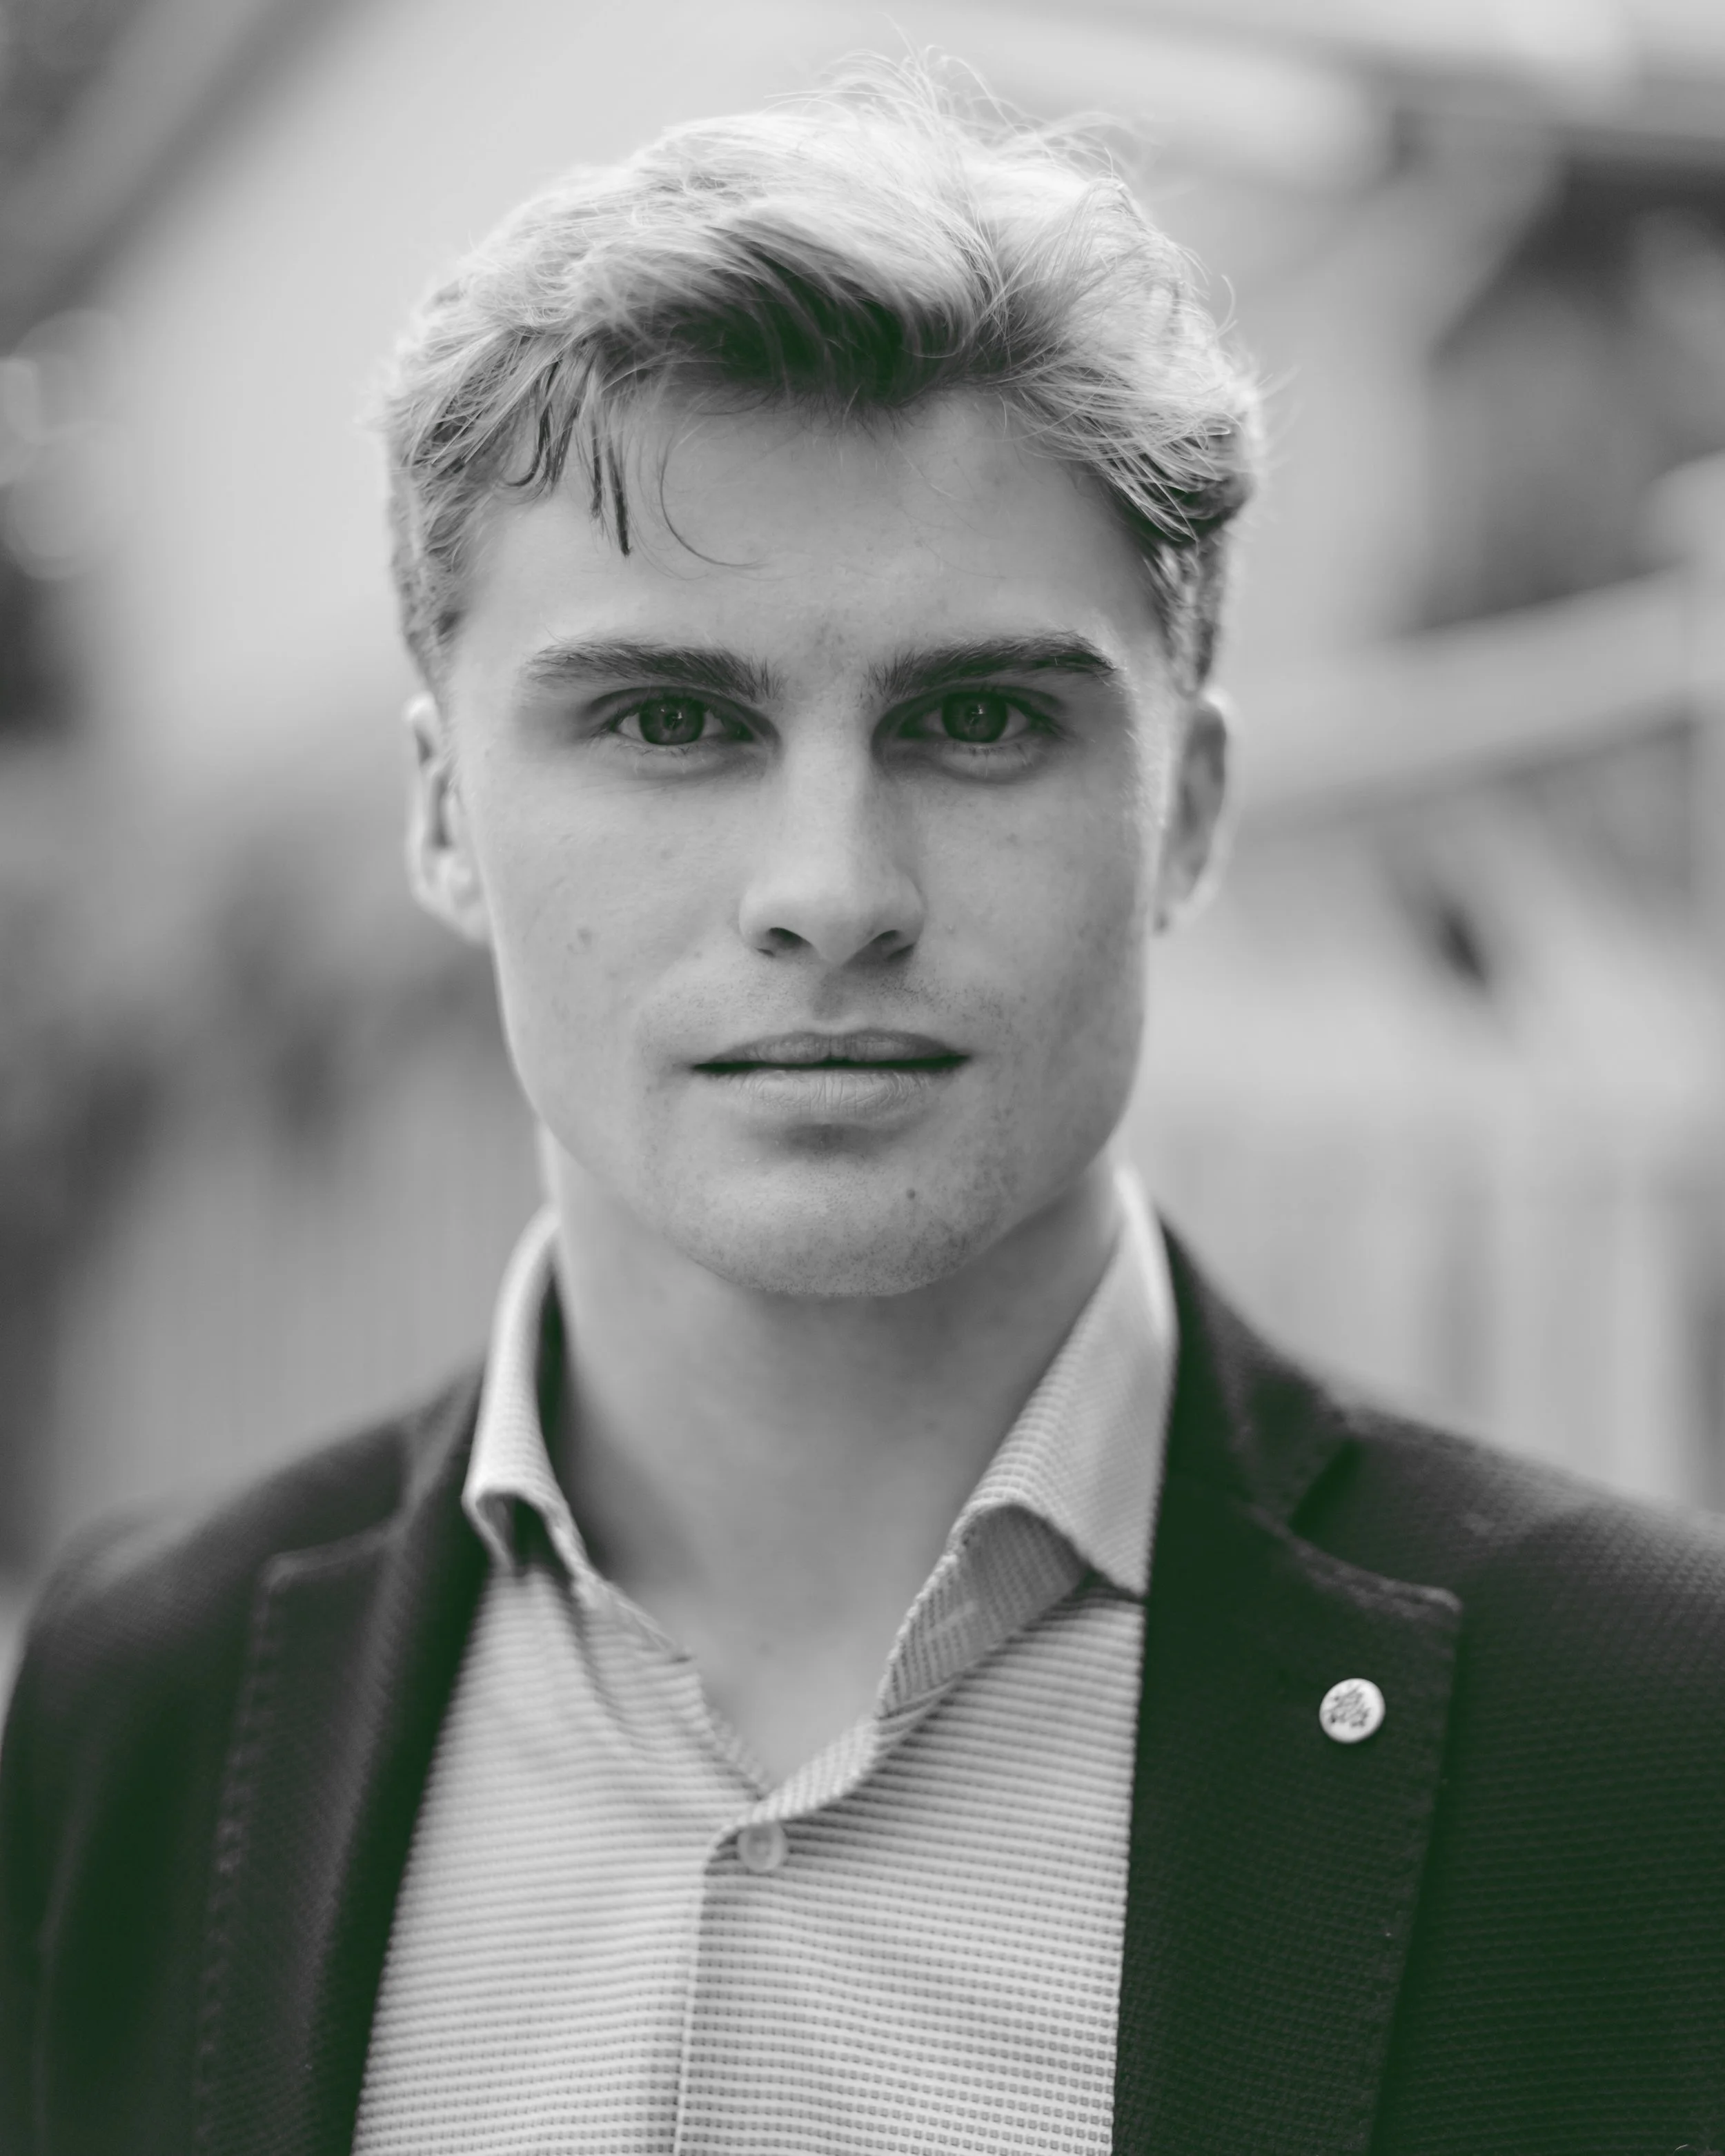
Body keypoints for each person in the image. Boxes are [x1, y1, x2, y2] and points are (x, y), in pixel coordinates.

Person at [5, 63, 1725, 2156]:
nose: (829, 890)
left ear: (1181, 812)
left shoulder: (1639, 1747)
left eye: (978, 718)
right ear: (444, 814)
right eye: (667, 719)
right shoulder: (133, 1716)